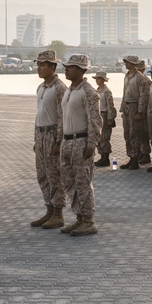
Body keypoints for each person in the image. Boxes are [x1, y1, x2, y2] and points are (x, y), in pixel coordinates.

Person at [58, 54, 101, 237]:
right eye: (66, 67)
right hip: (67, 142)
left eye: (71, 67)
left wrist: (91, 144)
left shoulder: (89, 92)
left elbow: (95, 121)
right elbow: (62, 118)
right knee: (70, 183)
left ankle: (89, 221)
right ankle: (79, 217)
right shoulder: (68, 91)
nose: (67, 70)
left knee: (83, 183)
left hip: (81, 141)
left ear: (82, 70)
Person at [30, 50, 67, 229]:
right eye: (38, 64)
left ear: (53, 67)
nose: (39, 68)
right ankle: (49, 209)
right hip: (41, 134)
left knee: (54, 176)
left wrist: (59, 142)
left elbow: (62, 117)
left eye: (42, 65)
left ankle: (58, 213)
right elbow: (38, 115)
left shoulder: (59, 88)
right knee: (42, 175)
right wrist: (36, 139)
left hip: (53, 135)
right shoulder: (41, 87)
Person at [120, 55, 150, 169]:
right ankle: (131, 156)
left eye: (128, 62)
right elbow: (124, 92)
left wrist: (140, 112)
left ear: (133, 64)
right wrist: (122, 108)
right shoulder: (127, 76)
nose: (126, 64)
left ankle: (135, 158)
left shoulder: (140, 77)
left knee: (134, 134)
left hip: (135, 106)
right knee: (127, 134)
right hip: (127, 106)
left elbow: (144, 95)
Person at [93, 71, 116, 167]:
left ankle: (106, 158)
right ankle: (102, 156)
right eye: (96, 79)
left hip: (105, 115)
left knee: (105, 138)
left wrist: (111, 118)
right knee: (99, 137)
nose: (97, 80)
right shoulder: (97, 90)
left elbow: (110, 105)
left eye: (99, 79)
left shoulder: (106, 91)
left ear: (103, 80)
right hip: (98, 114)